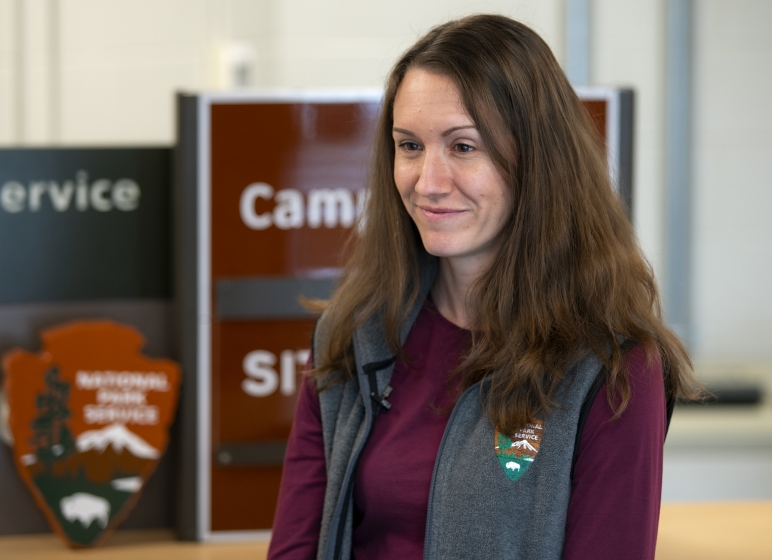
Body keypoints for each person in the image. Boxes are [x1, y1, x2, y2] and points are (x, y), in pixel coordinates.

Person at [268, 13, 699, 560]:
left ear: (536, 161)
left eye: (463, 147)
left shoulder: (613, 369)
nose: (428, 182)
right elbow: (296, 547)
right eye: (409, 146)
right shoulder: (354, 334)